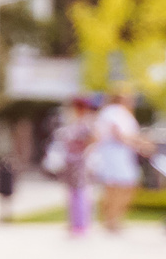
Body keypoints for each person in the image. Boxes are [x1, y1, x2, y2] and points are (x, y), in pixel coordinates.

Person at [92, 91, 148, 232]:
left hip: (122, 155)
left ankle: (113, 219)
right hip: (115, 156)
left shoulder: (121, 113)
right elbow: (118, 133)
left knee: (119, 187)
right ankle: (111, 220)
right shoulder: (113, 112)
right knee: (117, 187)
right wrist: (139, 144)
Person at [46, 97, 96, 236]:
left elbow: (93, 139)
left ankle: (81, 224)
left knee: (80, 192)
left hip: (79, 161)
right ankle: (74, 222)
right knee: (72, 192)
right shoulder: (74, 123)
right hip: (70, 161)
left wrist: (81, 147)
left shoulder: (86, 123)